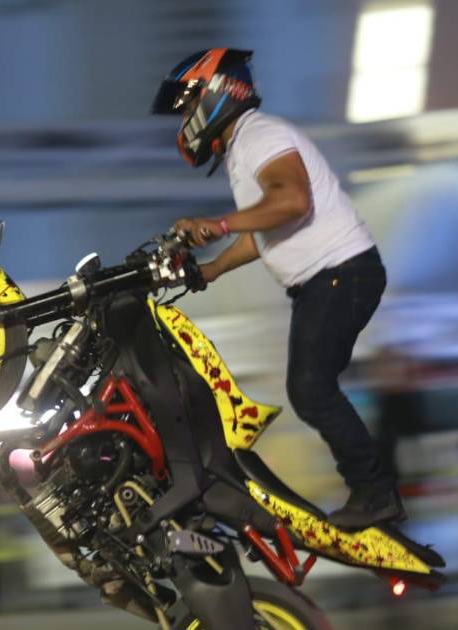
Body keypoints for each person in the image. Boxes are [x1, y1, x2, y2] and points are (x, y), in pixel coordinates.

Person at [153, 48, 402, 530]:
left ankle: (376, 494)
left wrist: (219, 223)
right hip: (331, 278)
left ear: (217, 92)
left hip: (339, 272)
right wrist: (212, 270)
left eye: (188, 105)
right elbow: (264, 229)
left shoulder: (259, 135)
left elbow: (292, 201)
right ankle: (376, 491)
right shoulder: (245, 145)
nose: (186, 119)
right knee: (311, 388)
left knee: (310, 389)